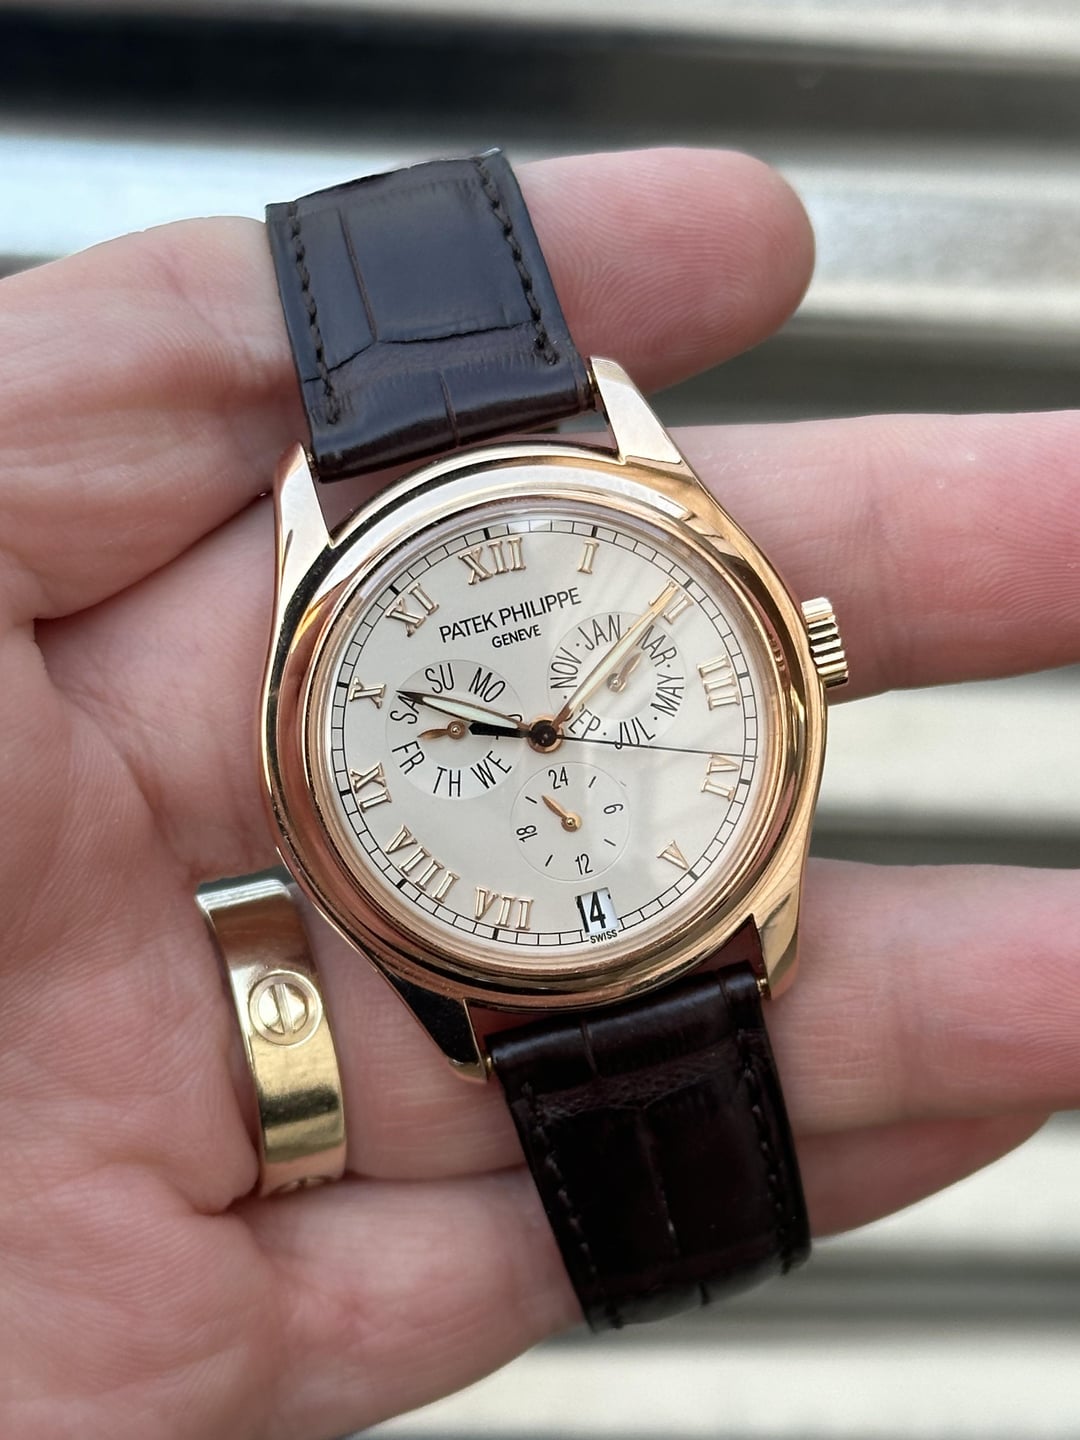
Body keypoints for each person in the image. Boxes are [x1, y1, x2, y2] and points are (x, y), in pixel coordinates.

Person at [1, 146, 1075, 1440]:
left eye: (559, 711)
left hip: (682, 902)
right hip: (526, 950)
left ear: (800, 656)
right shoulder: (338, 610)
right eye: (511, 727)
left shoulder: (639, 540)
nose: (547, 732)